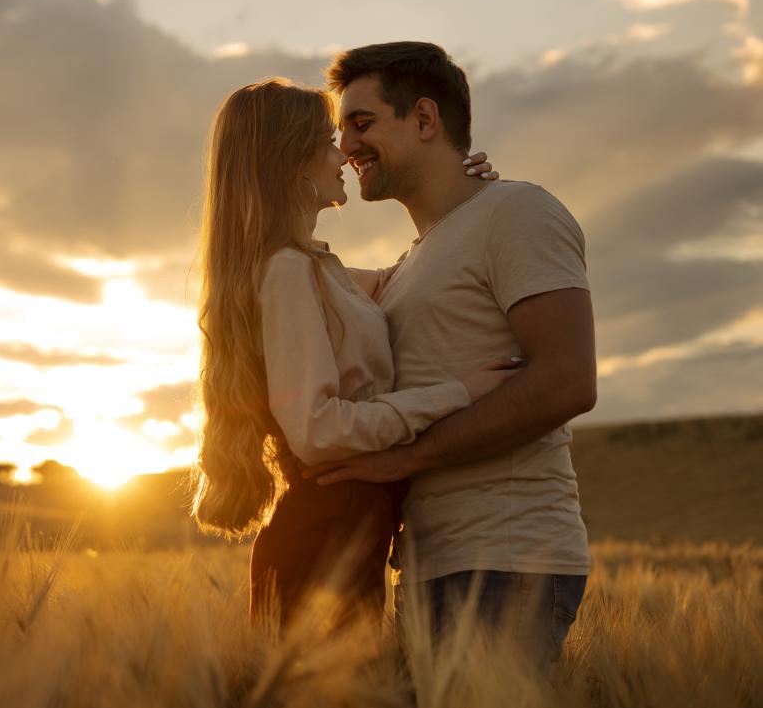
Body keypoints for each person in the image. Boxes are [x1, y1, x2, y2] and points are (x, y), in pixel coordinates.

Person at [304, 42, 597, 670]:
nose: (347, 146)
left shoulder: (517, 211)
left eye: (361, 123)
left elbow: (567, 382)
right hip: (432, 563)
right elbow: (296, 277)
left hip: (506, 556)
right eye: (341, 131)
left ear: (426, 120)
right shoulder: (410, 263)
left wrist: (404, 459)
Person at [188, 77, 515, 626]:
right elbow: (317, 430)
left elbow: (417, 276)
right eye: (324, 140)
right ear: (289, 163)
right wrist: (459, 394)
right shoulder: (288, 272)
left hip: (348, 530)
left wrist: (463, 199)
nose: (341, 152)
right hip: (324, 537)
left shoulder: (317, 270)